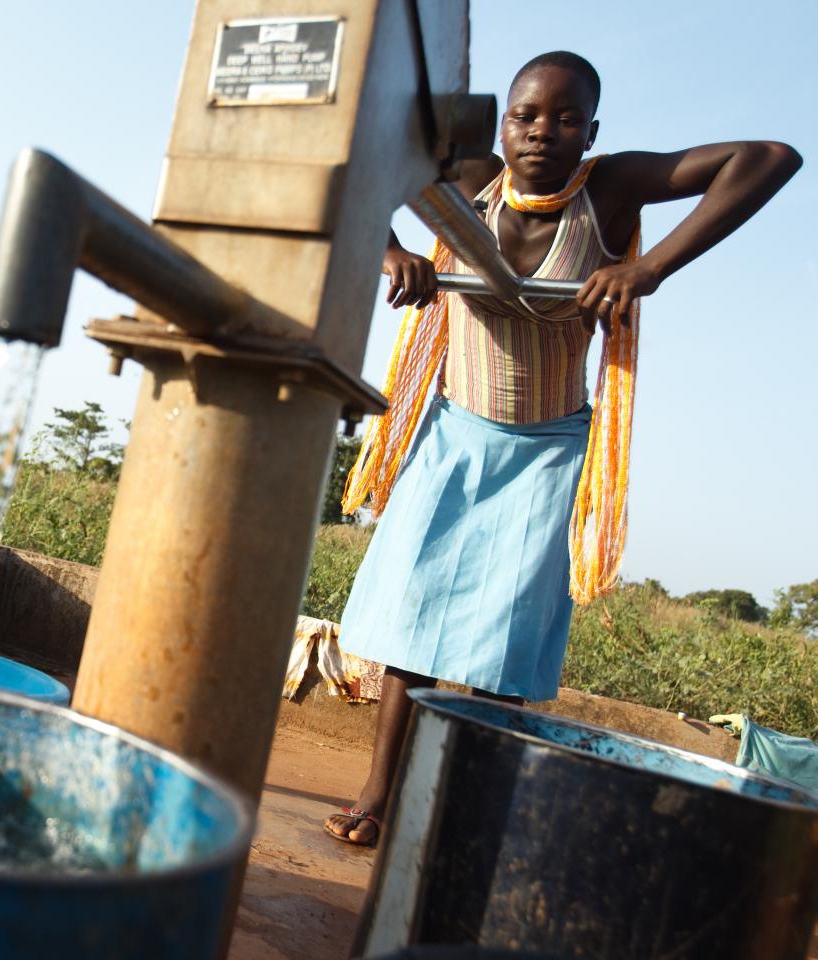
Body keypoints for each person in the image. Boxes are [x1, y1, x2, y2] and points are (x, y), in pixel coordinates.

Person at [325, 51, 801, 847]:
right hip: (453, 430)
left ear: (593, 132)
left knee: (500, 645)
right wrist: (392, 251)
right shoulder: (467, 178)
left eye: (567, 118)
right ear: (502, 123)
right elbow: (354, 155)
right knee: (413, 623)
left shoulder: (609, 191)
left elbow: (771, 159)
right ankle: (378, 794)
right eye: (527, 116)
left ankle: (459, 815)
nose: (544, 132)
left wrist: (647, 266)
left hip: (546, 451)